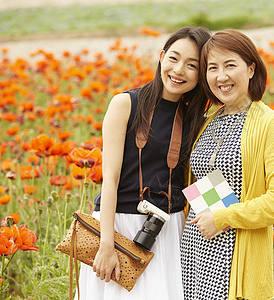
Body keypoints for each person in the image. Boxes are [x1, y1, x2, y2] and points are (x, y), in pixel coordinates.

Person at [77, 26, 212, 300]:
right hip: (118, 225)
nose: (178, 70)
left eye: (192, 65)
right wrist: (106, 243)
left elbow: (199, 178)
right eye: (174, 58)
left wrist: (228, 216)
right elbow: (110, 180)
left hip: (168, 230)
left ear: (202, 74)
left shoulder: (198, 118)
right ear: (161, 56)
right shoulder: (125, 103)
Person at [181, 29, 274, 300]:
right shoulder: (208, 120)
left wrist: (222, 218)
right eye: (212, 68)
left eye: (230, 65)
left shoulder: (271, 124)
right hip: (194, 251)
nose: (220, 76)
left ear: (250, 69)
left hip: (234, 257)